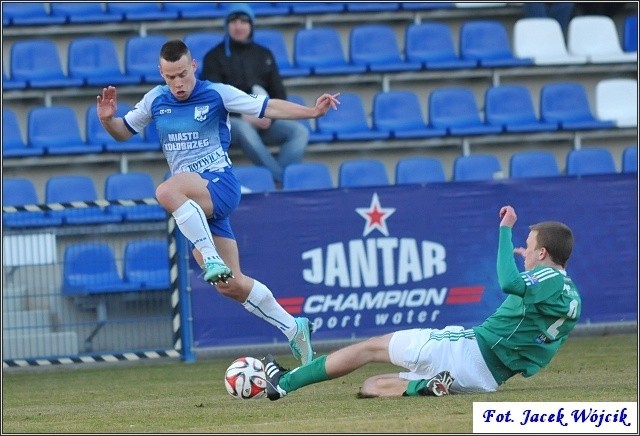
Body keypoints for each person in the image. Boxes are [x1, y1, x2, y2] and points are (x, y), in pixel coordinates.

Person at [96, 39, 340, 365]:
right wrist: (107, 120)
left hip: (219, 185)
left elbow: (265, 107)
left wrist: (311, 111)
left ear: (193, 66)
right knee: (231, 285)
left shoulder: (217, 93)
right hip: (195, 205)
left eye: (183, 74)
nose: (178, 83)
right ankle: (293, 328)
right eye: (171, 77)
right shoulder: (155, 99)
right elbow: (123, 132)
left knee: (166, 191)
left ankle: (210, 256)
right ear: (161, 73)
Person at [262, 205, 581, 399]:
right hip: (486, 380)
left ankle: (284, 383)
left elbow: (508, 283)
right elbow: (536, 332)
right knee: (373, 385)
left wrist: (505, 231)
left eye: (529, 246)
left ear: (543, 253)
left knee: (369, 348)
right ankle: (424, 387)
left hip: (466, 350)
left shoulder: (546, 280)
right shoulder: (570, 297)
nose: (523, 250)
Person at [200, 3, 309, 184]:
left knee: (300, 132)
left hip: (263, 119)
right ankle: (279, 180)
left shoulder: (264, 54)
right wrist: (244, 116)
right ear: (227, 25)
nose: (239, 26)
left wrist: (270, 116)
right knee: (243, 128)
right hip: (229, 122)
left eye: (244, 21)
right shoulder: (213, 57)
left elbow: (279, 93)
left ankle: (274, 181)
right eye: (234, 21)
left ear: (251, 25)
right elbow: (212, 99)